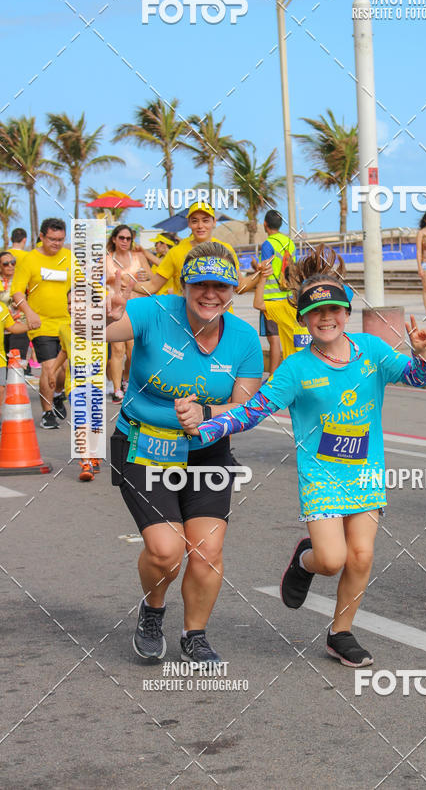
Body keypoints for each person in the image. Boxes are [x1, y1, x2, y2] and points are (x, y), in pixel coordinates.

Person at [175, 246, 426, 667]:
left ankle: (341, 633)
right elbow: (252, 411)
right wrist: (205, 427)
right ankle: (304, 560)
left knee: (361, 555)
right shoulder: (295, 369)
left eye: (333, 309)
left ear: (346, 312)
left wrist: (422, 355)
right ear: (303, 319)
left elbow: (417, 378)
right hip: (322, 476)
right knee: (331, 561)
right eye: (316, 312)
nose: (326, 318)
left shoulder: (372, 350)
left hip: (366, 472)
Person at [108, 241, 263, 664]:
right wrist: (103, 314)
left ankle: (194, 634)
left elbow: (246, 408)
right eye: (200, 285)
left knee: (207, 551)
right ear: (183, 285)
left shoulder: (245, 338)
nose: (210, 294)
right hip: (144, 445)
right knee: (166, 550)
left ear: (233, 290)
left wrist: (206, 413)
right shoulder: (153, 311)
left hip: (207, 452)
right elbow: (102, 332)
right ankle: (153, 610)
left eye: (221, 286)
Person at [11, 217, 72, 429]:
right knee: (48, 367)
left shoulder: (69, 257)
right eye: (52, 239)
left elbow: (82, 285)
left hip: (67, 324)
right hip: (41, 324)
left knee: (64, 371)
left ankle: (58, 394)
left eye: (60, 240)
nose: (56, 243)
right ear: (42, 236)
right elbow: (17, 291)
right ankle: (47, 413)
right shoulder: (30, 259)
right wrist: (28, 312)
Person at [48, 289, 105, 481]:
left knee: (95, 425)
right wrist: (52, 370)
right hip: (75, 386)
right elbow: (64, 351)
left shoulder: (100, 326)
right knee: (82, 421)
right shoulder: (64, 328)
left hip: (96, 385)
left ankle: (93, 454)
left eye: (78, 302)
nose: (72, 307)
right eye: (69, 303)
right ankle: (86, 462)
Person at [143, 202, 240, 296]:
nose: (200, 226)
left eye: (205, 221)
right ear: (189, 223)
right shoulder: (176, 252)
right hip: (185, 307)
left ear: (214, 222)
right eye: (195, 221)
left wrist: (252, 278)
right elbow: (153, 286)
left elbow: (239, 285)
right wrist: (133, 283)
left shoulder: (226, 250)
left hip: (221, 307)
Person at [105, 224, 153, 403]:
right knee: (117, 350)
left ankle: (126, 380)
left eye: (128, 238)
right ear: (114, 239)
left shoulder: (138, 257)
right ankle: (117, 389)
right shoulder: (106, 258)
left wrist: (144, 278)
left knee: (133, 352)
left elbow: (151, 278)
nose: (125, 241)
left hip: (136, 307)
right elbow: (93, 281)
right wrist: (111, 279)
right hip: (115, 308)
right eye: (121, 238)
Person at [257, 210, 296, 372]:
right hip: (288, 297)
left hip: (270, 298)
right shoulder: (290, 242)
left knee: (274, 339)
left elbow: (265, 268)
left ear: (265, 224)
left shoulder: (268, 244)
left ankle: (273, 376)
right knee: (286, 336)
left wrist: (256, 268)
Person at [253, 260, 310, 359]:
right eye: (296, 280)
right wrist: (263, 277)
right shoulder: (284, 306)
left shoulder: (318, 305)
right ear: (287, 283)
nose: (300, 284)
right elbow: (258, 304)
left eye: (303, 279)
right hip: (293, 367)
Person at [0, 250, 29, 367]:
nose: (10, 266)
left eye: (13, 262)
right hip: (2, 327)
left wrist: (24, 302)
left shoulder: (23, 280)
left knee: (16, 362)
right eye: (6, 264)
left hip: (20, 325)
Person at [0, 298, 30, 407]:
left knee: (1, 388)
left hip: (0, 358)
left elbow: (12, 327)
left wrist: (30, 326)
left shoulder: (2, 308)